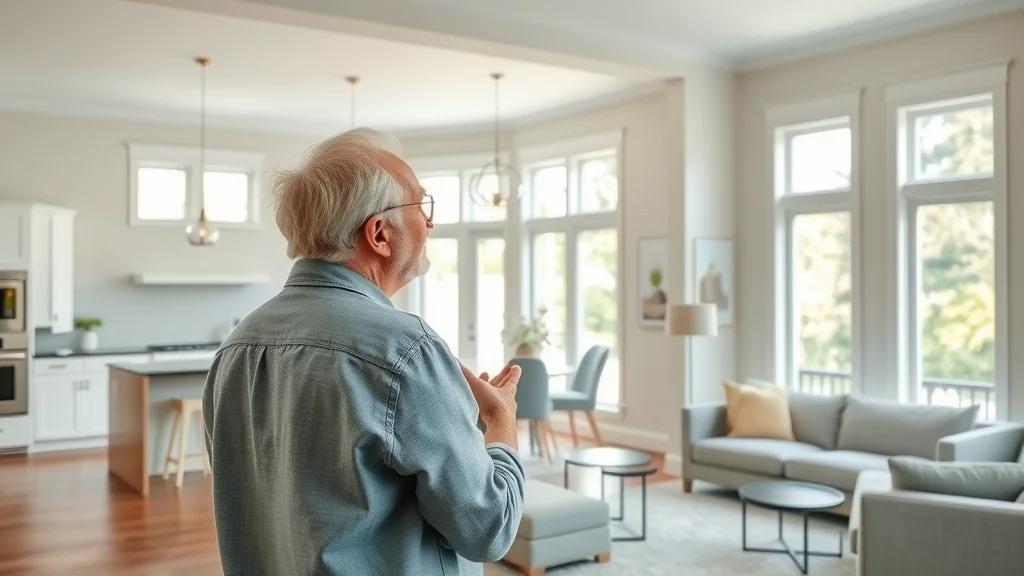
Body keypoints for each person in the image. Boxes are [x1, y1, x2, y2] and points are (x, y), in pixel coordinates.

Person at [202, 127, 525, 576]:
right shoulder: (405, 350)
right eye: (421, 205)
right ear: (379, 233)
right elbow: (489, 529)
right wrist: (501, 421)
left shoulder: (235, 349)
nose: (429, 222)